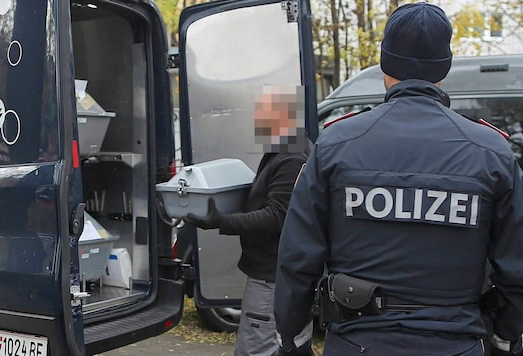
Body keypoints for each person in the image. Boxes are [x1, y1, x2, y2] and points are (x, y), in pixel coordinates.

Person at [274, 2, 523, 355]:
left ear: (384, 63)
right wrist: (506, 339)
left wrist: (293, 340)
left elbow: (298, 258)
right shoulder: (491, 152)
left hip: (356, 343)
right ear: (445, 66)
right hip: (456, 344)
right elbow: (515, 267)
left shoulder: (337, 143)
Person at [185, 85, 309, 356]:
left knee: (255, 351)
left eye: (263, 116)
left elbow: (277, 216)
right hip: (279, 277)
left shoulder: (291, 157)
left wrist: (221, 221)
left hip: (271, 282)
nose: (258, 122)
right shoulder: (283, 151)